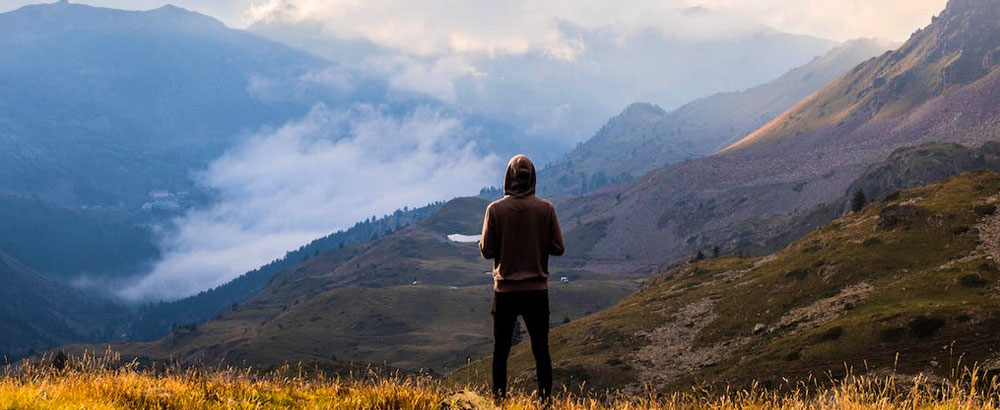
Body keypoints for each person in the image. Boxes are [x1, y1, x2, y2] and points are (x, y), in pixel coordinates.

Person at [479, 154, 565, 402]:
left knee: (501, 351)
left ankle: (499, 401)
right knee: (541, 350)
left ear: (508, 177)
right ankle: (545, 402)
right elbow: (558, 247)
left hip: (505, 292)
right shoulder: (545, 209)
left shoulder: (495, 210)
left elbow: (486, 251)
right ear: (533, 178)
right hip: (537, 291)